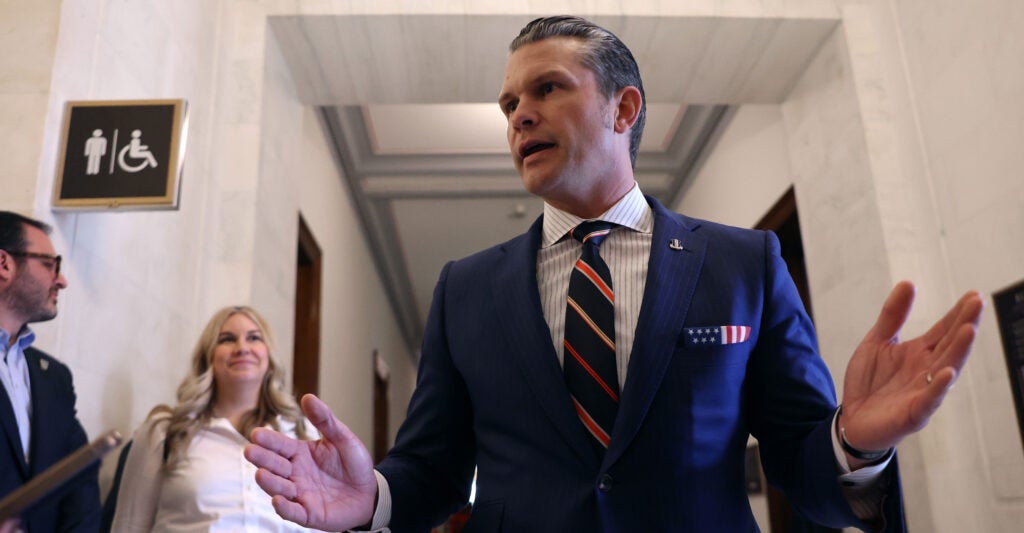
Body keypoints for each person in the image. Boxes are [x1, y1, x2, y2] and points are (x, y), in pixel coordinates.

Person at [243, 16, 983, 532]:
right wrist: (368, 497)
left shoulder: (742, 264)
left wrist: (853, 444)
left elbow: (801, 463)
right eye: (508, 104)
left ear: (624, 106)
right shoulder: (463, 289)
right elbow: (433, 465)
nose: (518, 116)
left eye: (547, 90)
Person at [110, 306, 319, 532]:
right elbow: (128, 526)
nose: (242, 348)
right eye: (227, 339)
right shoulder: (165, 431)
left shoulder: (303, 434)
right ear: (208, 356)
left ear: (269, 355)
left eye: (254, 338)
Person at [0, 211, 101, 531]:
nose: (62, 279)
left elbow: (78, 481)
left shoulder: (54, 378)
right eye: (49, 263)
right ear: (4, 264)